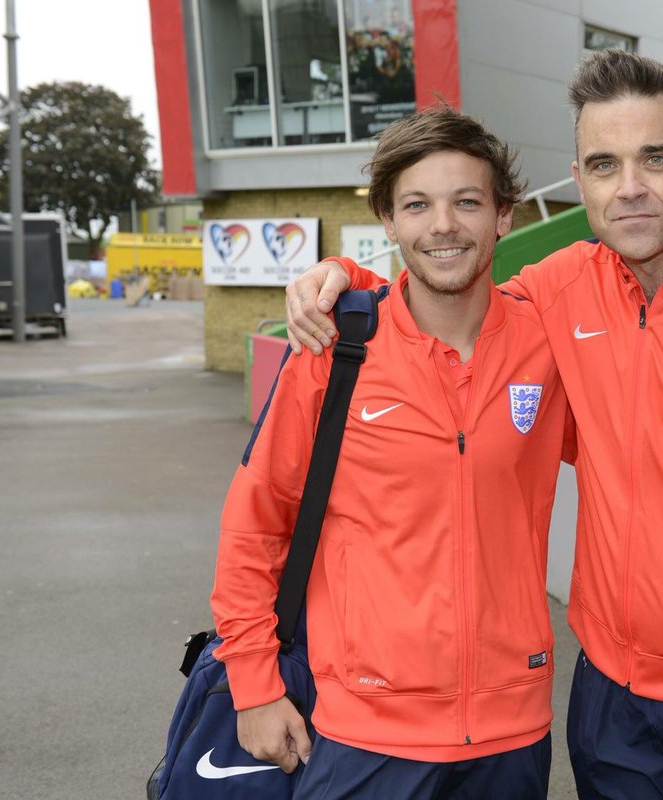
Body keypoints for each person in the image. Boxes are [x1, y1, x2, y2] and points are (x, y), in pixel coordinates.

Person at [286, 49, 663, 800]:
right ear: (580, 182)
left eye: (655, 159)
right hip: (610, 699)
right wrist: (347, 281)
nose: (630, 189)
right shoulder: (564, 286)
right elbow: (450, 289)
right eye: (605, 165)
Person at [211, 106, 572, 800]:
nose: (443, 225)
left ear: (503, 217)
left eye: (467, 202)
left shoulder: (547, 343)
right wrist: (253, 685)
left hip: (512, 729)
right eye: (417, 205)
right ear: (389, 221)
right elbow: (254, 524)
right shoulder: (335, 350)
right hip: (363, 733)